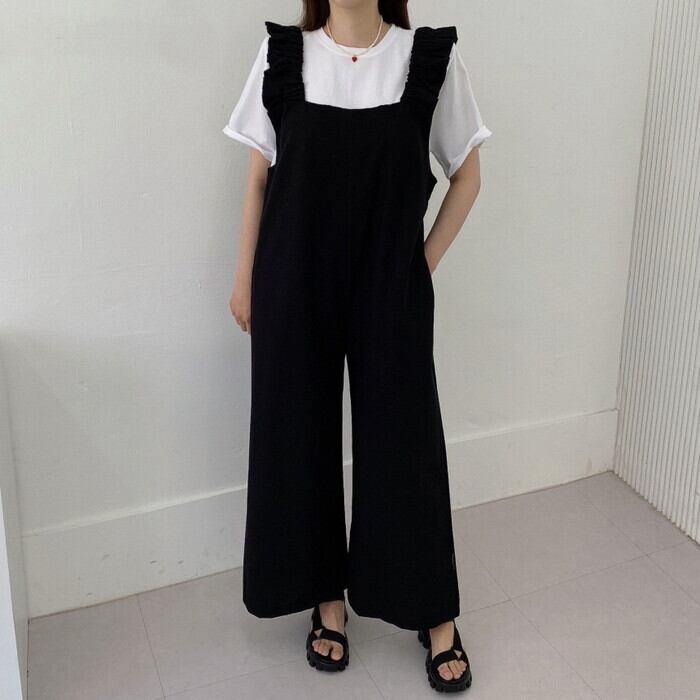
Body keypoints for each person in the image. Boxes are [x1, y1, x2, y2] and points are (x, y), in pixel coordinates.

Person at [223, 0, 491, 692]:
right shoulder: (283, 57)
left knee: (405, 442)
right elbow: (258, 179)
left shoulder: (427, 59)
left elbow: (468, 175)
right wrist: (246, 278)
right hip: (293, 280)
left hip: (389, 285)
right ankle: (326, 600)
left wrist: (418, 265)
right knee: (297, 439)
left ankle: (433, 611)